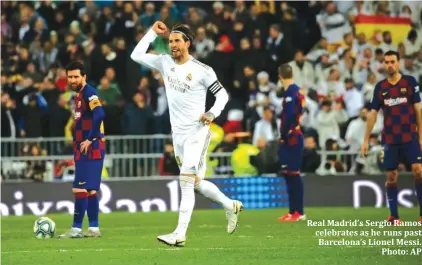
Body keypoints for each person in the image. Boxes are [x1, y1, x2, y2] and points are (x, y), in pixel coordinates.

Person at [131, 21, 243, 247]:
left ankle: (179, 233)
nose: (172, 45)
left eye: (176, 41)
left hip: (197, 132)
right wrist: (152, 33)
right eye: (170, 41)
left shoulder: (202, 70)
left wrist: (212, 113)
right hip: (178, 135)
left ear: (187, 43)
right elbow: (136, 54)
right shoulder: (164, 63)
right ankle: (230, 205)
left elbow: (222, 96)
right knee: (195, 183)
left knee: (185, 180)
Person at [361, 50, 422, 224]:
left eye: (392, 61)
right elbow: (373, 114)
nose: (389, 65)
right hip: (390, 138)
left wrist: (421, 136)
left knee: (419, 171)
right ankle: (394, 216)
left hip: (410, 135)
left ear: (398, 63)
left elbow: (418, 111)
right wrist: (365, 140)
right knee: (391, 176)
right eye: (386, 62)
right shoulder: (380, 87)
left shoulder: (410, 82)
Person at [57, 61, 105, 238]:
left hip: (90, 148)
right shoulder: (78, 96)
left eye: (76, 76)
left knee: (79, 188)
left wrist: (90, 138)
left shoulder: (89, 93)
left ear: (84, 77)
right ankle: (93, 228)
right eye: (70, 76)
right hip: (87, 148)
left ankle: (76, 229)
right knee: (90, 189)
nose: (73, 79)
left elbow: (100, 113)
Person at [277, 64, 306, 222]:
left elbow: (290, 115)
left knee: (294, 174)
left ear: (280, 76)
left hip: (292, 136)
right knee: (288, 174)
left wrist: (283, 133)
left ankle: (299, 212)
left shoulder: (291, 92)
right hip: (292, 135)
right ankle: (292, 211)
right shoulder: (297, 91)